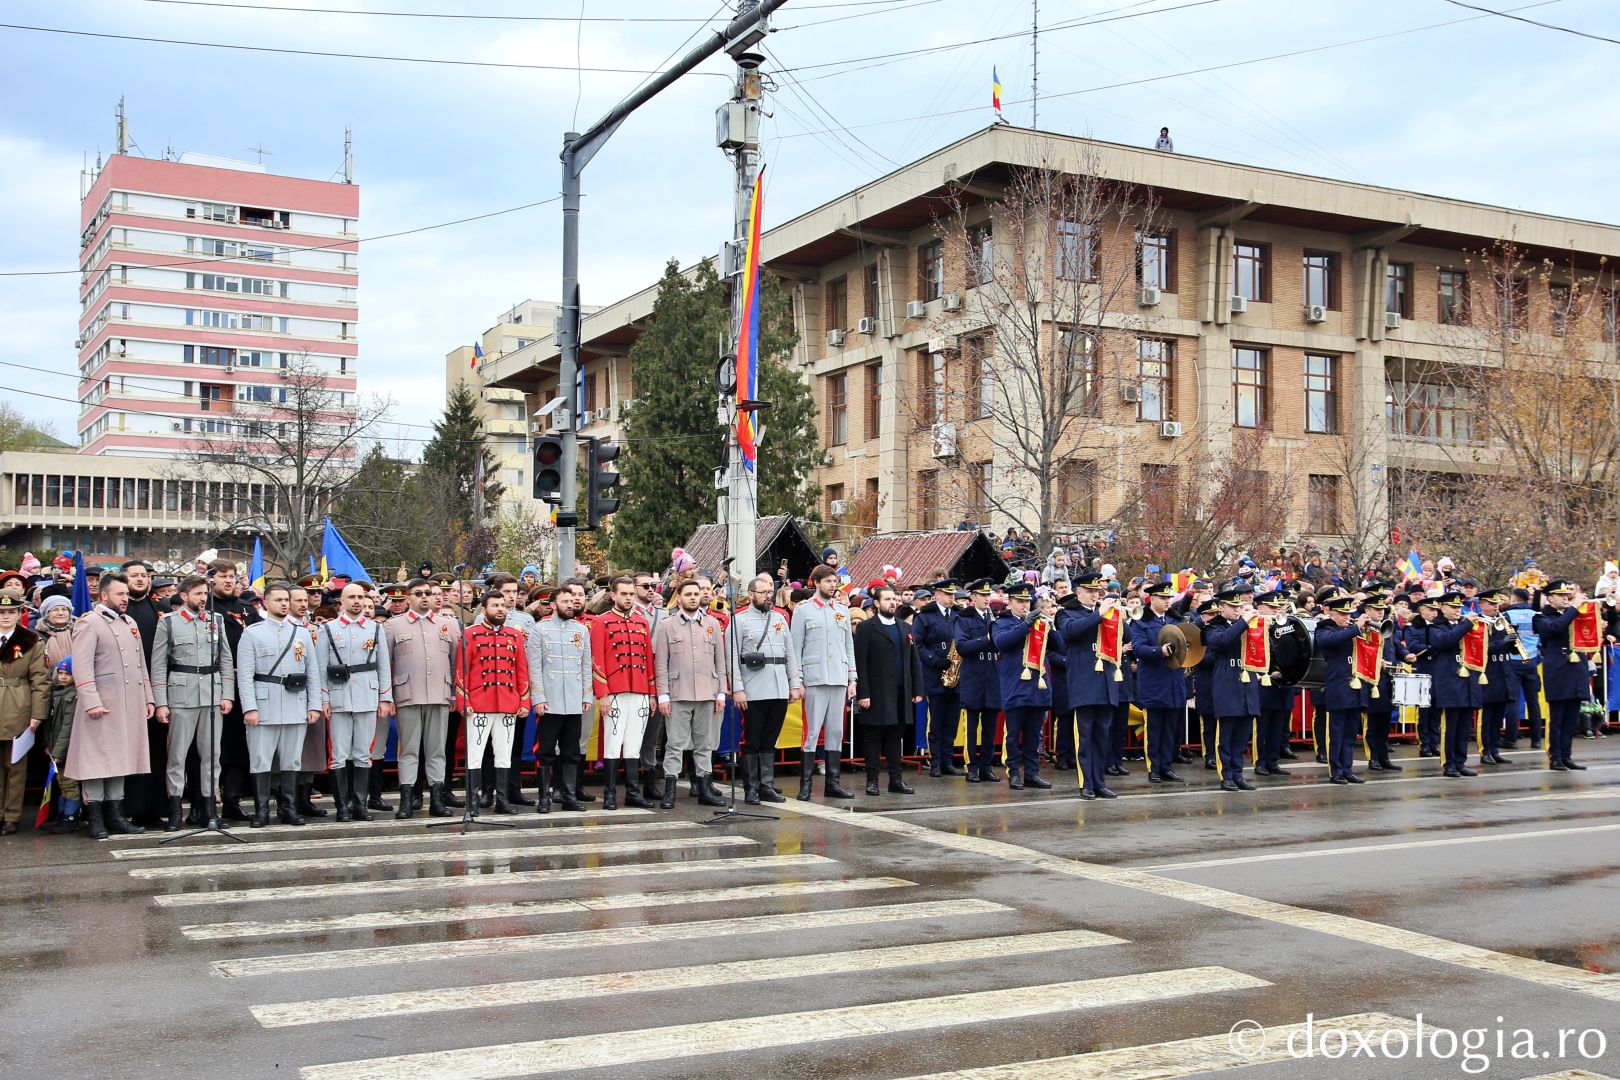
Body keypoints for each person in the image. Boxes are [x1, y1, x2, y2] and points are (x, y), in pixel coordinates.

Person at [66, 571, 157, 839]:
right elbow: (81, 668)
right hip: (101, 704)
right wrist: (91, 701)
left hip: (128, 704)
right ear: (104, 595)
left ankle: (116, 815)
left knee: (121, 759)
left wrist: (148, 698)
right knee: (97, 762)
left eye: (127, 594)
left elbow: (141, 666)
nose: (125, 598)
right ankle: (95, 818)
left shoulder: (129, 622)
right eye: (120, 594)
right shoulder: (89, 623)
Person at [150, 574, 235, 832]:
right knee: (177, 755)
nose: (203, 598)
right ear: (184, 596)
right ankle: (175, 809)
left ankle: (210, 809)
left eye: (204, 594)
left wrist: (227, 694)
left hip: (211, 694)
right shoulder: (169, 623)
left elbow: (225, 660)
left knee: (212, 755)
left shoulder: (216, 620)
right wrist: (161, 702)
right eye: (197, 594)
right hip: (181, 695)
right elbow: (159, 664)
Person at [235, 582, 322, 828]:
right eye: (278, 600)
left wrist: (313, 704)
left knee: (292, 760)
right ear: (266, 603)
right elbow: (245, 675)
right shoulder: (252, 633)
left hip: (295, 702)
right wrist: (249, 707)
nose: (284, 604)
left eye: (287, 600)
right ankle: (261, 810)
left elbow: (312, 672)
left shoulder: (302, 633)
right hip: (264, 704)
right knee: (261, 760)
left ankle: (289, 808)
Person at [652, 576, 732, 808]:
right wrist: (663, 694)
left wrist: (720, 692)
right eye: (688, 594)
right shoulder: (667, 625)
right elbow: (661, 663)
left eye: (696, 594)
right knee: (675, 744)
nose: (693, 598)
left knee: (704, 743)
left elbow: (720, 661)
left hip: (707, 693)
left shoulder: (712, 624)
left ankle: (705, 787)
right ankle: (670, 789)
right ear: (679, 598)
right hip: (678, 693)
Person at [317, 582, 394, 822]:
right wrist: (324, 698)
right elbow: (320, 668)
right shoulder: (328, 629)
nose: (357, 601)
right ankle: (342, 805)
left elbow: (383, 666)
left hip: (366, 695)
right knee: (339, 754)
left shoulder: (374, 629)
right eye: (351, 597)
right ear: (341, 601)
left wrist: (385, 698)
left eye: (361, 597)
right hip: (339, 695)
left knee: (363, 753)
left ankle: (360, 804)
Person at [386, 577, 462, 819]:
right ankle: (407, 800)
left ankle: (437, 800)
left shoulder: (448, 624)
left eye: (428, 593)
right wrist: (387, 696)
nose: (425, 597)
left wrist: (453, 694)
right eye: (418, 594)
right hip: (408, 695)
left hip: (439, 695)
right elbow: (385, 664)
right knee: (409, 750)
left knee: (437, 750)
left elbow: (454, 662)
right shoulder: (393, 626)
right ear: (408, 598)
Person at [456, 589, 532, 815]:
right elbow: (462, 671)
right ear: (484, 609)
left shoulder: (514, 636)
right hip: (479, 703)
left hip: (508, 703)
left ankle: (503, 800)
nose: (500, 609)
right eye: (495, 606)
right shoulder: (470, 634)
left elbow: (522, 672)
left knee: (504, 753)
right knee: (476, 753)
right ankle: (472, 802)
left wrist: (524, 701)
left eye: (503, 606)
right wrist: (464, 701)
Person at [729, 573, 803, 805]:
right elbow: (732, 656)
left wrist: (794, 683)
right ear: (751, 594)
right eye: (763, 592)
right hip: (753, 686)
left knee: (770, 739)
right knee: (752, 739)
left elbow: (789, 653)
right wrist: (738, 688)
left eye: (770, 592)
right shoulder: (739, 620)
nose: (768, 596)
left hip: (778, 684)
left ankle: (767, 785)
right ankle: (751, 788)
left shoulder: (780, 618)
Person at [789, 564, 857, 800]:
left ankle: (833, 782)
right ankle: (806, 784)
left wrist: (852, 677)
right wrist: (797, 679)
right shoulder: (804, 610)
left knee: (836, 731)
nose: (832, 585)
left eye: (834, 581)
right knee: (811, 732)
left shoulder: (842, 609)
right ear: (816, 583)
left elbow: (848, 646)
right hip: (815, 677)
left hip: (838, 676)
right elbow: (795, 647)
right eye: (827, 581)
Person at [852, 583, 923, 796]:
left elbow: (913, 659)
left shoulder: (904, 627)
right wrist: (863, 693)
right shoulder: (866, 627)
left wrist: (917, 689)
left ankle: (896, 779)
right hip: (876, 691)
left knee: (895, 736)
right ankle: (872, 780)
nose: (893, 603)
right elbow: (860, 662)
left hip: (901, 690)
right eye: (887, 599)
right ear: (876, 603)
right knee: (873, 736)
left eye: (895, 599)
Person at [1055, 571, 1119, 799]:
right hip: (1083, 683)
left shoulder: (1105, 613)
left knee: (1102, 736)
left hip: (1106, 684)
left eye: (1097, 592)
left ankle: (1099, 781)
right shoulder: (1066, 614)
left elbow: (1127, 636)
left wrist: (1117, 615)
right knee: (1084, 737)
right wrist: (1100, 614)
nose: (1094, 595)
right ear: (1078, 592)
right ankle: (1086, 783)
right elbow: (1072, 632)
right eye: (1090, 591)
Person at [530, 581, 591, 814]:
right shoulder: (540, 629)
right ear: (554, 604)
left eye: (572, 600)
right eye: (565, 601)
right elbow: (534, 667)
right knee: (545, 751)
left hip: (574, 700)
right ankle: (544, 797)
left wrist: (586, 695)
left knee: (571, 750)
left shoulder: (581, 630)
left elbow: (586, 665)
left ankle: (569, 796)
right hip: (550, 700)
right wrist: (538, 698)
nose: (570, 604)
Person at [208, 559, 260, 822]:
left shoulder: (247, 610)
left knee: (237, 748)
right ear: (210, 579)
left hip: (242, 687)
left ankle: (232, 801)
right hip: (210, 685)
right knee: (208, 749)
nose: (229, 581)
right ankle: (202, 806)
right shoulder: (205, 608)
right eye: (223, 576)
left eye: (232, 576)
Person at [988, 581, 1052, 790]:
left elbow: (1059, 645)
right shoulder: (1002, 622)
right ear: (1010, 602)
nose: (1025, 605)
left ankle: (1032, 773)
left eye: (1027, 601)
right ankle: (1013, 772)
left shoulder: (1038, 622)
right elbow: (1003, 642)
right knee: (1014, 734)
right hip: (1015, 685)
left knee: (1034, 735)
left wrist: (1050, 624)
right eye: (1020, 601)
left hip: (1037, 686)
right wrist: (1026, 624)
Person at [1129, 580, 1188, 783]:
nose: (1167, 601)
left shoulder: (1174, 619)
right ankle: (1154, 768)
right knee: (1154, 729)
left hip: (1174, 680)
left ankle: (1167, 766)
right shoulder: (1141, 620)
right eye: (1163, 598)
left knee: (1171, 728)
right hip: (1154, 682)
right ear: (1151, 599)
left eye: (1169, 598)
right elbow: (1138, 648)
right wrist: (1158, 651)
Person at [1202, 588, 1259, 792]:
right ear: (1222, 607)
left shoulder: (1246, 626)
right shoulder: (1212, 627)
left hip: (1247, 685)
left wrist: (1260, 628)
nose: (1236, 610)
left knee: (1242, 736)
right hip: (1227, 685)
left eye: (1238, 606)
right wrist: (1244, 622)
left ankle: (1238, 773)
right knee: (1225, 736)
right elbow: (1222, 642)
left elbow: (1265, 648)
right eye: (1233, 606)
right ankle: (1226, 775)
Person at [0, 594, 49, 835]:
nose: (6, 616)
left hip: (18, 704)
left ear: (20, 613)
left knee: (15, 766)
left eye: (11, 612)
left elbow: (40, 680)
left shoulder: (30, 641)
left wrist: (37, 714)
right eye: (1, 612)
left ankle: (12, 816)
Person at [910, 577, 963, 778]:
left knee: (952, 721)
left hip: (956, 675)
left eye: (953, 594)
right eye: (947, 594)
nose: (951, 598)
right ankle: (936, 762)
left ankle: (948, 761)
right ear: (937, 595)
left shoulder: (958, 615)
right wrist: (934, 660)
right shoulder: (925, 616)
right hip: (935, 673)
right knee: (938, 720)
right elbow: (917, 644)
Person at [1533, 581, 1589, 772]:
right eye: (1561, 595)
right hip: (1557, 668)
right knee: (1556, 717)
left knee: (1571, 717)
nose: (1566, 598)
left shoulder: (1572, 614)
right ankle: (1555, 756)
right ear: (1550, 598)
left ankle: (1566, 755)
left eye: (1568, 595)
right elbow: (1556, 628)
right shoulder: (1541, 617)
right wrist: (1574, 608)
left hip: (1575, 667)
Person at [1312, 593, 1366, 784]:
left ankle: (1347, 769)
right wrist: (1356, 627)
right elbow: (1332, 641)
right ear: (1332, 614)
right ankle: (1336, 771)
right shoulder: (1324, 629)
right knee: (1336, 733)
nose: (1346, 617)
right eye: (1342, 614)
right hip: (1337, 687)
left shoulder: (1351, 630)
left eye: (1348, 614)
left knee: (1350, 734)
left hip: (1355, 687)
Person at [953, 578, 1003, 782]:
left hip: (992, 674)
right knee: (972, 726)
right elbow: (962, 647)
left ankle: (986, 766)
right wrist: (986, 640)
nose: (986, 599)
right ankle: (971, 766)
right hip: (973, 675)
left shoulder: (994, 618)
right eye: (982, 595)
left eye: (987, 595)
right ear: (972, 597)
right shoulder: (963, 619)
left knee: (990, 725)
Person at [1427, 592, 1481, 779]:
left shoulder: (1462, 626)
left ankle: (1460, 761)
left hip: (1466, 682)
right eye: (1453, 607)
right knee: (1449, 727)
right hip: (1449, 682)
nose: (1458, 610)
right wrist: (1467, 624)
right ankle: (1448, 763)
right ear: (1442, 608)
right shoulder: (1436, 627)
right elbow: (1447, 641)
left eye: (1459, 607)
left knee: (1463, 727)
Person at [1475, 588, 1515, 767]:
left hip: (1503, 670)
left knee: (1498, 715)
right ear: (1482, 605)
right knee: (1487, 716)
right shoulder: (1477, 622)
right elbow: (1482, 648)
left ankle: (1494, 749)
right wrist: (1503, 643)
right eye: (1491, 604)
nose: (1495, 606)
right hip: (1488, 672)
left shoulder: (1503, 620)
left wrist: (1513, 642)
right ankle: (1485, 750)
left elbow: (1510, 647)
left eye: (1496, 603)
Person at [1501, 587, 1543, 749]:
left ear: (1514, 598)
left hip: (1513, 660)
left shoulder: (1507, 615)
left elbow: (1506, 639)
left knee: (1513, 700)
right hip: (1532, 660)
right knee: (1533, 701)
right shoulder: (1536, 615)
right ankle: (1536, 739)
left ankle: (1511, 739)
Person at [42, 657, 80, 833]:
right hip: (56, 746)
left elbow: (67, 727)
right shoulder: (56, 692)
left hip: (66, 749)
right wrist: (48, 745)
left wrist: (58, 752)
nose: (63, 677)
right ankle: (62, 815)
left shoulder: (73, 696)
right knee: (61, 781)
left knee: (68, 782)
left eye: (68, 674)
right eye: (61, 673)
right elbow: (51, 724)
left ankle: (70, 817)